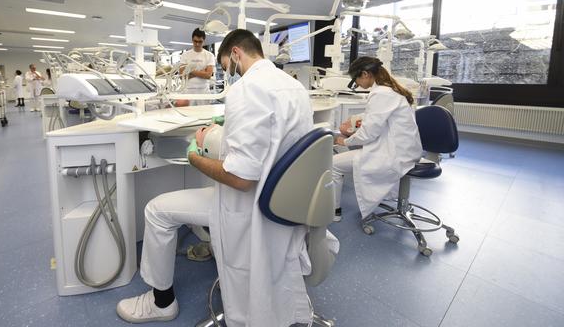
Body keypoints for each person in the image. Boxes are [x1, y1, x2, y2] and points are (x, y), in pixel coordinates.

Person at [116, 29, 315, 326]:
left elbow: (240, 179)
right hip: (287, 201)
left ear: (235, 54)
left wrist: (195, 157)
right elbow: (273, 143)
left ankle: (161, 303)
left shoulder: (247, 89)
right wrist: (224, 131)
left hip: (250, 205)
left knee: (156, 210)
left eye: (225, 67)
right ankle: (208, 245)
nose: (228, 74)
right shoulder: (293, 86)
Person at [332, 56, 422, 222]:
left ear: (365, 74)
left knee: (333, 165)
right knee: (352, 152)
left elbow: (368, 134)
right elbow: (374, 118)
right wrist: (354, 122)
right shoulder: (390, 90)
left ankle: (334, 213)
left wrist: (343, 140)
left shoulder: (380, 94)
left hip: (393, 155)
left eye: (356, 79)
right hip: (404, 150)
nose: (357, 84)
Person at [176, 28, 215, 106]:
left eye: (200, 42)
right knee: (188, 115)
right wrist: (202, 72)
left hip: (204, 91)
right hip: (188, 91)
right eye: (195, 41)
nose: (197, 44)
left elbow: (208, 75)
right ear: (192, 40)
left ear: (204, 41)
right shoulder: (185, 55)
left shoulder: (209, 55)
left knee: (204, 114)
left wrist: (189, 70)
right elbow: (181, 75)